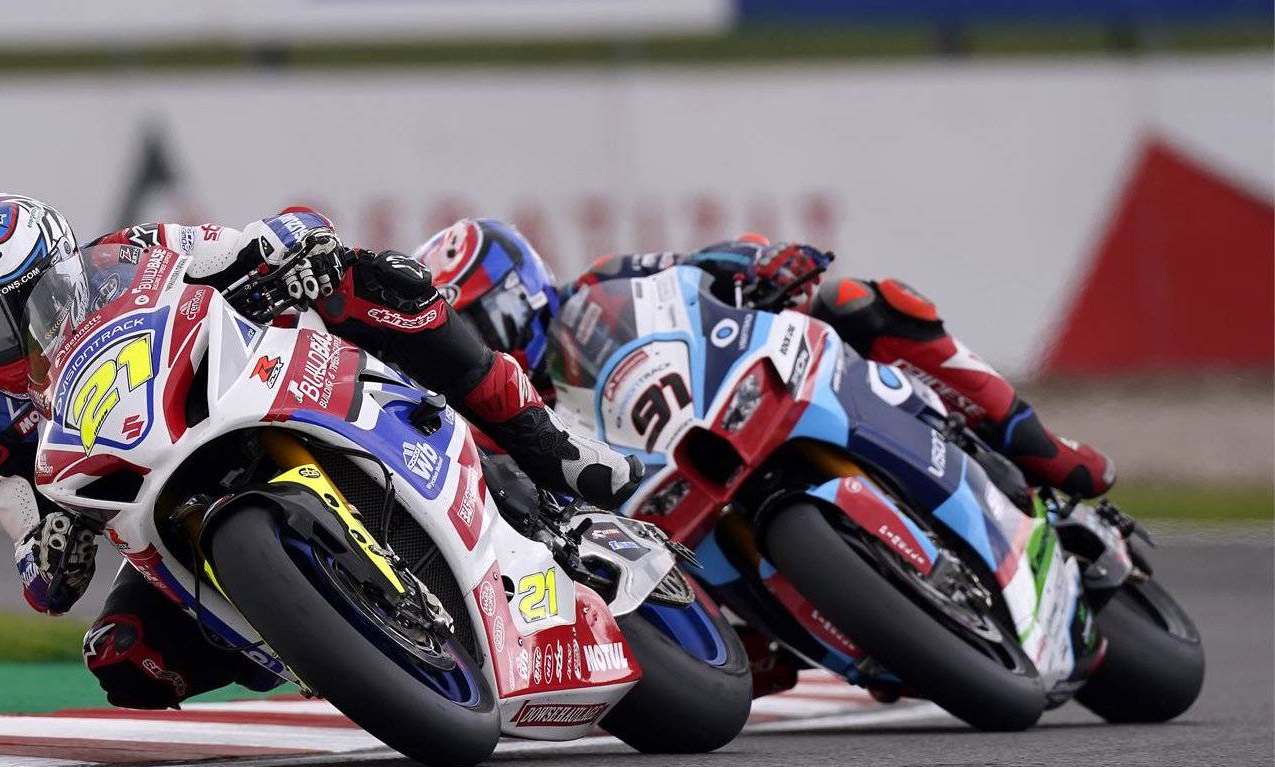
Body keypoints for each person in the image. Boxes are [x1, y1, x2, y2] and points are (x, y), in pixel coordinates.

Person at [0, 194, 643, 709]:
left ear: (65, 271)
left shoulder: (133, 254)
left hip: (241, 391)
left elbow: (240, 246)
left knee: (369, 279)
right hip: (157, 508)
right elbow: (36, 568)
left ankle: (542, 441)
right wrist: (53, 544)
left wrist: (285, 249)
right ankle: (316, 633)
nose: (7, 338)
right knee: (124, 657)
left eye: (20, 307)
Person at [415, 218, 1115, 499]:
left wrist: (761, 263)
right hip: (662, 502)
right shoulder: (505, 424)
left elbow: (701, 263)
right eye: (466, 336)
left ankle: (1034, 441)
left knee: (861, 300)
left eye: (485, 320)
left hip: (733, 392)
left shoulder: (601, 283)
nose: (483, 344)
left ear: (521, 287)